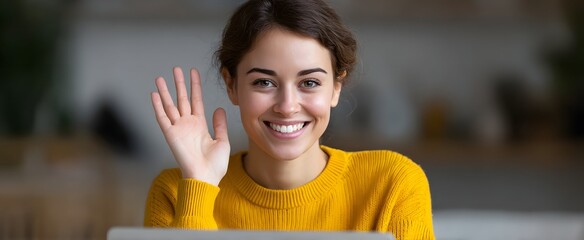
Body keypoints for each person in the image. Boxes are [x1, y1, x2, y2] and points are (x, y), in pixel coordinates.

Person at [143, 0, 435, 239]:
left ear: (336, 87)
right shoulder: (176, 191)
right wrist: (199, 186)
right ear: (231, 85)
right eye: (264, 83)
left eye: (309, 83)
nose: (287, 106)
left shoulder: (392, 183)